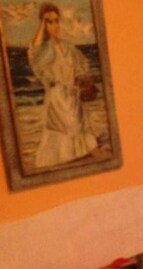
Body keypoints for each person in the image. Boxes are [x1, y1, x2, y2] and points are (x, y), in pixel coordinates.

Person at [28, 2, 99, 168]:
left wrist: (82, 79)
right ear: (44, 25)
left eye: (56, 20)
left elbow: (81, 65)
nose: (54, 25)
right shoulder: (45, 49)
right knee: (67, 125)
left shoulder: (68, 46)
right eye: (49, 22)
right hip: (57, 96)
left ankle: (81, 156)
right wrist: (42, 23)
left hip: (73, 94)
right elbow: (33, 52)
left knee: (80, 123)